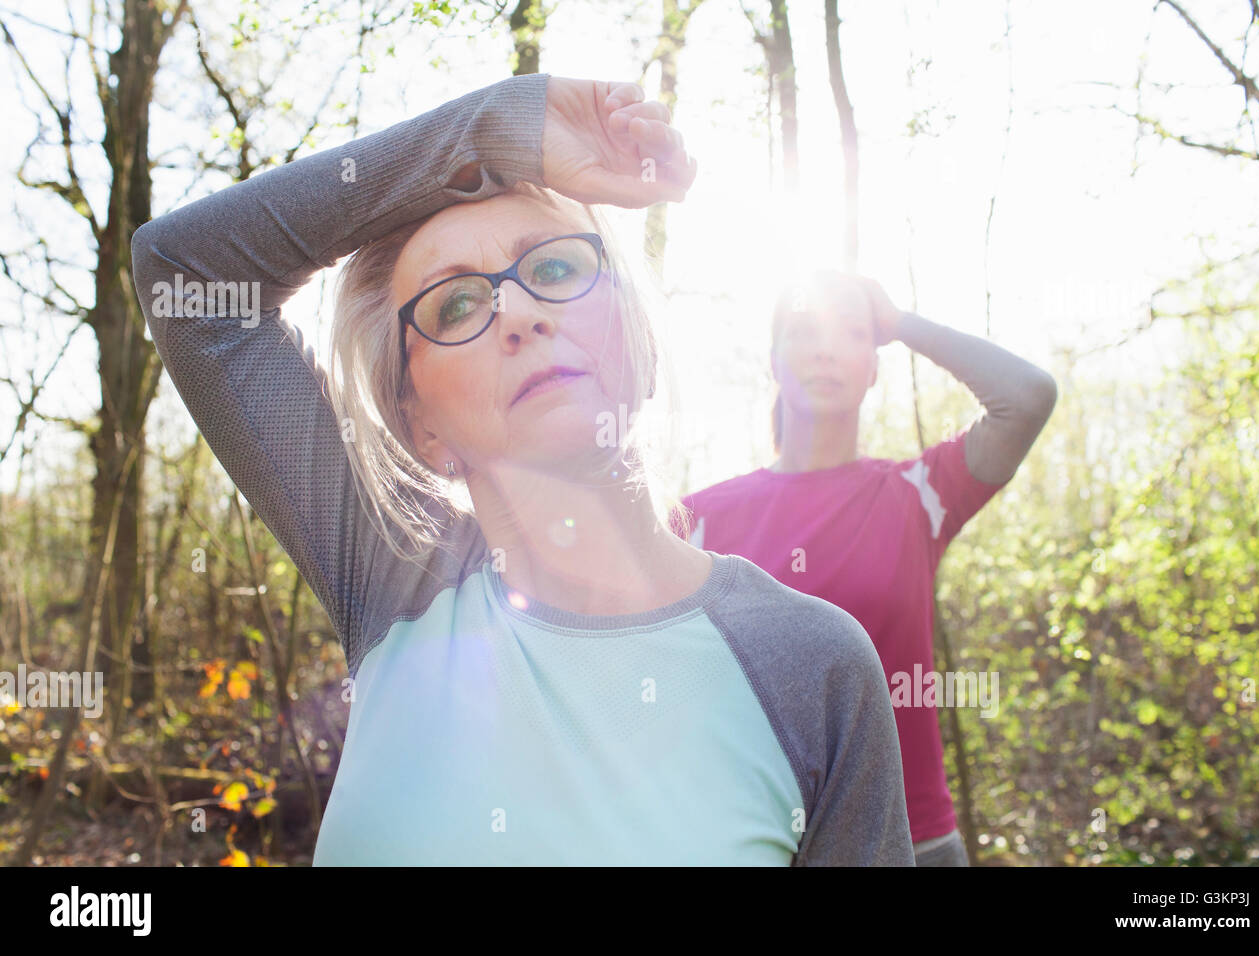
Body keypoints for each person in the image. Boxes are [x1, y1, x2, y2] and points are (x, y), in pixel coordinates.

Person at [130, 74, 914, 865]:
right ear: (421, 424)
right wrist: (499, 127)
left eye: (554, 269)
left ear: (636, 339)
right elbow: (186, 274)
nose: (518, 312)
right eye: (455, 307)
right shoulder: (397, 582)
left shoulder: (812, 665)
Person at [678, 272, 1057, 866]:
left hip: (914, 843)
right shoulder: (698, 518)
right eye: (804, 331)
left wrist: (901, 323)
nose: (827, 348)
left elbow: (1029, 396)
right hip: (757, 843)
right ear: (773, 362)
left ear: (875, 365)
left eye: (853, 333)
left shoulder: (917, 494)